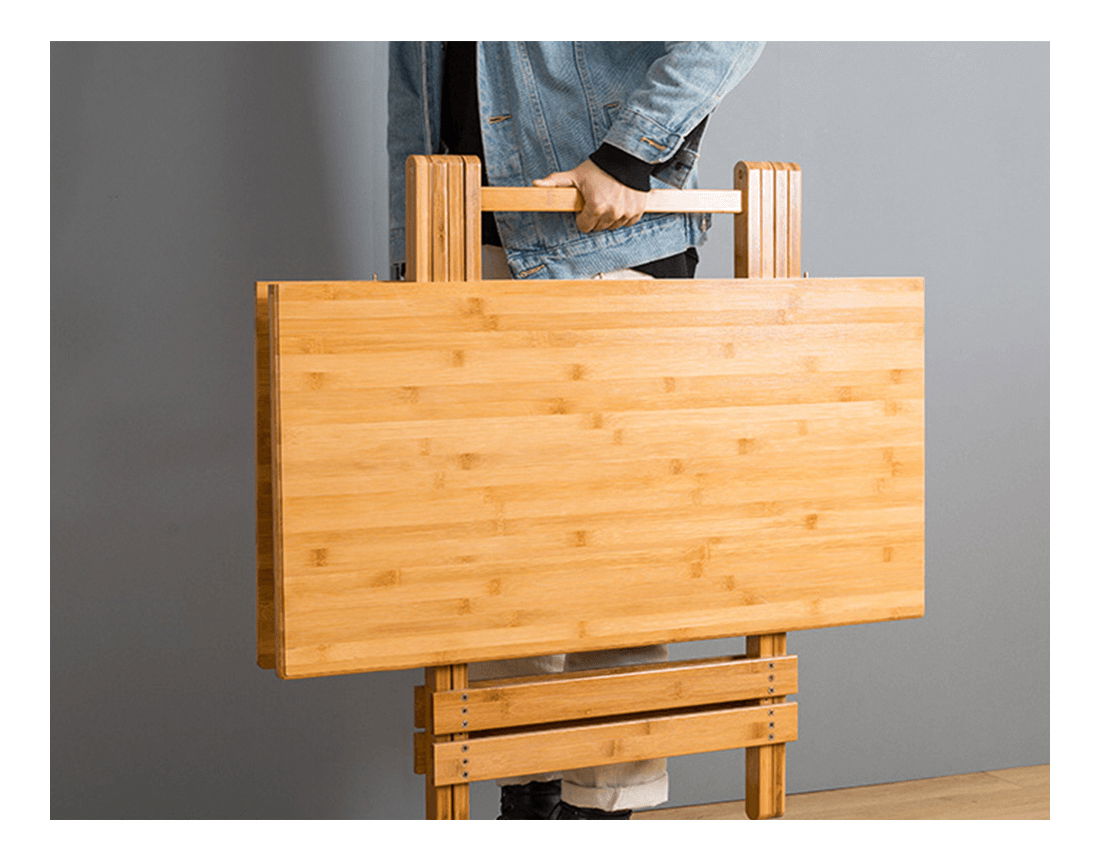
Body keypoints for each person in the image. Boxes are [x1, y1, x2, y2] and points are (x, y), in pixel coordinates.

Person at [388, 40, 765, 820]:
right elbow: (414, 98)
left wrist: (629, 156)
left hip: (599, 246)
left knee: (615, 551)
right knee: (492, 552)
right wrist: (410, 259)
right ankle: (526, 788)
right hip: (464, 255)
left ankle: (601, 808)